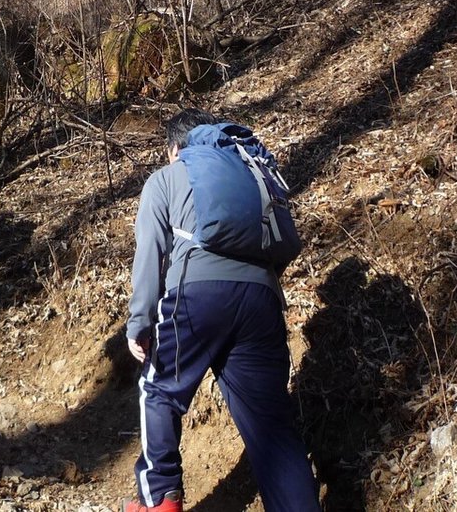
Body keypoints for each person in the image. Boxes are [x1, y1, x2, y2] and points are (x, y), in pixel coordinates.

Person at [123, 108, 319, 512]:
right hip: (262, 299)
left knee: (159, 391)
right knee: (272, 429)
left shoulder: (166, 178)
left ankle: (161, 501)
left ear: (175, 149)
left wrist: (139, 321)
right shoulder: (248, 175)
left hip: (197, 295)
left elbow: (150, 253)